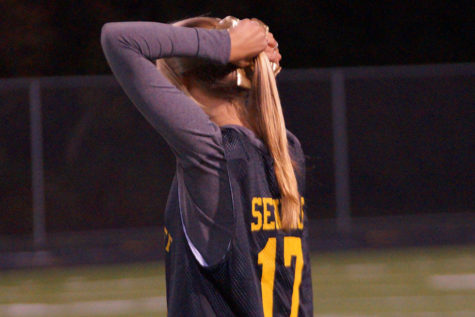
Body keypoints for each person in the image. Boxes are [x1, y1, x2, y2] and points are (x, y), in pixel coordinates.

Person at [101, 15, 313, 316]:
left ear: (185, 85)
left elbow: (117, 39)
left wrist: (226, 45)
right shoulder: (287, 150)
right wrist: (248, 60)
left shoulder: (213, 156)